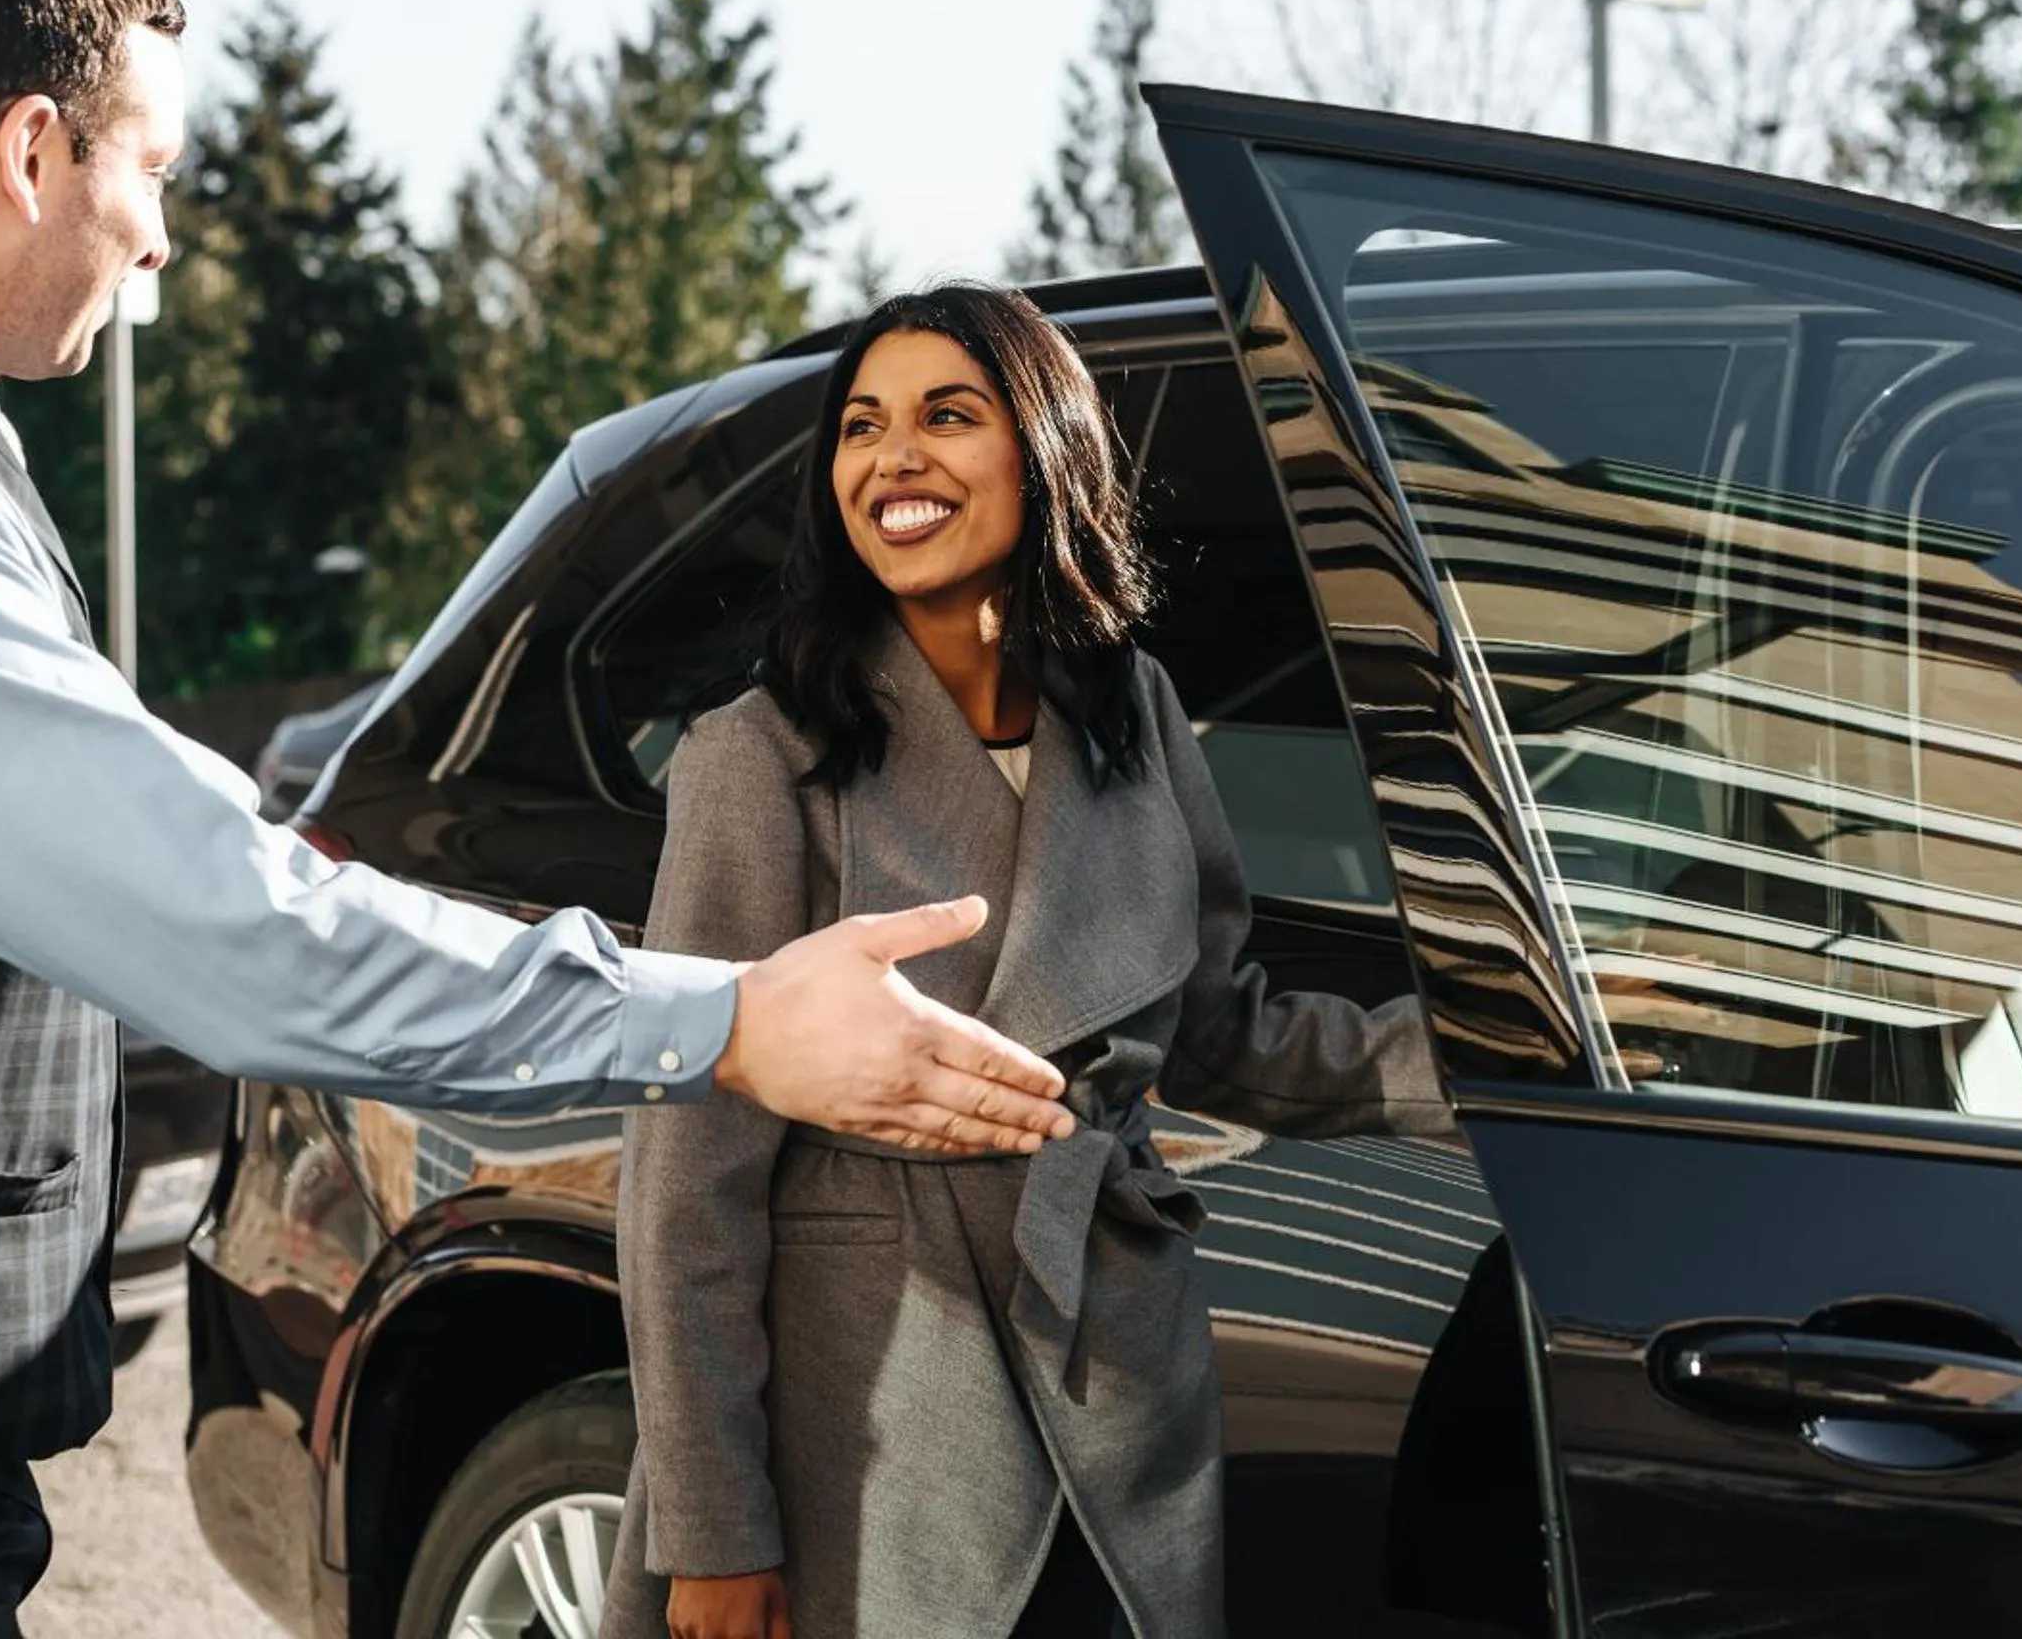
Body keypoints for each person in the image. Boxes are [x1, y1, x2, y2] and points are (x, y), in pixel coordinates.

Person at [0, 0, 1071, 1639]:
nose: (158, 238)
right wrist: (726, 1019)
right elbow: (228, 928)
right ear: (31, 150)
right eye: (151, 172)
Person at [603, 285, 1456, 1639]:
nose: (894, 457)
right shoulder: (759, 757)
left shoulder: (1133, 715)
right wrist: (715, 1530)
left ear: (1045, 451)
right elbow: (683, 1184)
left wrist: (1506, 1051)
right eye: (862, 427)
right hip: (865, 1405)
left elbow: (1223, 1037)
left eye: (948, 416)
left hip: (1116, 1367)